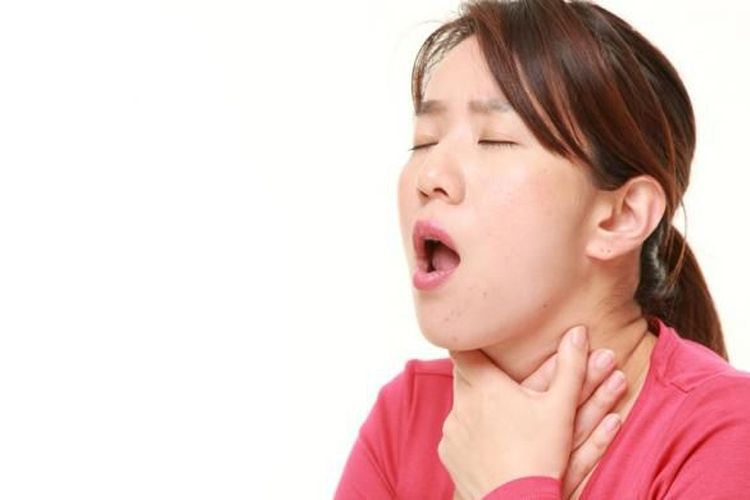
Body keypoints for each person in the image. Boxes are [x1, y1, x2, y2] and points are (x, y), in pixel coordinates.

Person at [334, 0, 750, 498]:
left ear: (620, 217)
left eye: (494, 140)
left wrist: (507, 484)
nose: (430, 175)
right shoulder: (407, 417)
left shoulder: (726, 435)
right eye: (424, 141)